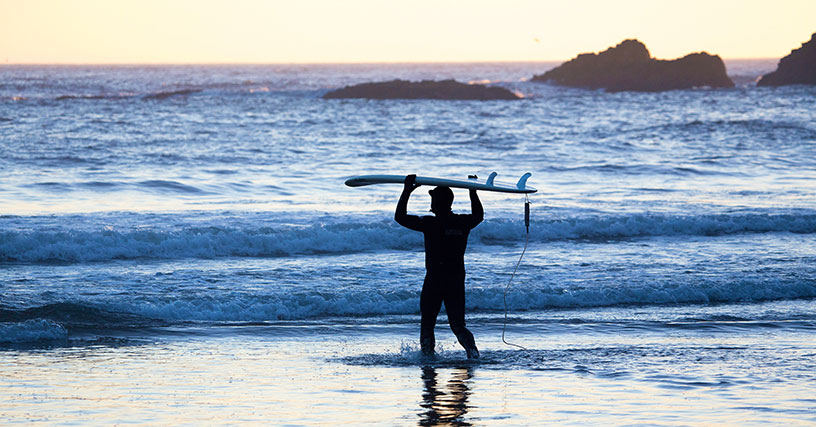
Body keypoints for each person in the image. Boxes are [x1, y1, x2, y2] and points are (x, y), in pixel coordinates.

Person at [395, 174, 483, 359]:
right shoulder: (462, 222)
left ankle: (428, 360)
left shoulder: (430, 223)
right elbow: (478, 216)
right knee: (458, 325)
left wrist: (406, 191)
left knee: (428, 323)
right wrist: (472, 191)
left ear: (436, 203)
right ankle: (473, 353)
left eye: (433, 198)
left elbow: (400, 217)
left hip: (435, 279)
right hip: (456, 279)